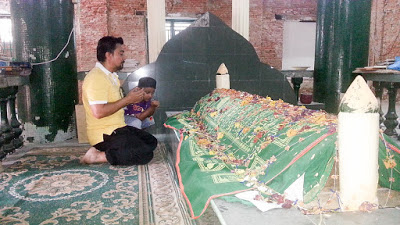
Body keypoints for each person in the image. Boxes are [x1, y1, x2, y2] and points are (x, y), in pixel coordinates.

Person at [81, 36, 157, 165]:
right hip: (105, 133)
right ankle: (98, 156)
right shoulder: (96, 78)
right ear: (108, 55)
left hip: (118, 127)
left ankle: (113, 149)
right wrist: (127, 100)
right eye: (120, 54)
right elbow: (99, 112)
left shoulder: (111, 76)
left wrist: (132, 99)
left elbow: (116, 104)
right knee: (145, 153)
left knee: (151, 142)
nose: (124, 58)